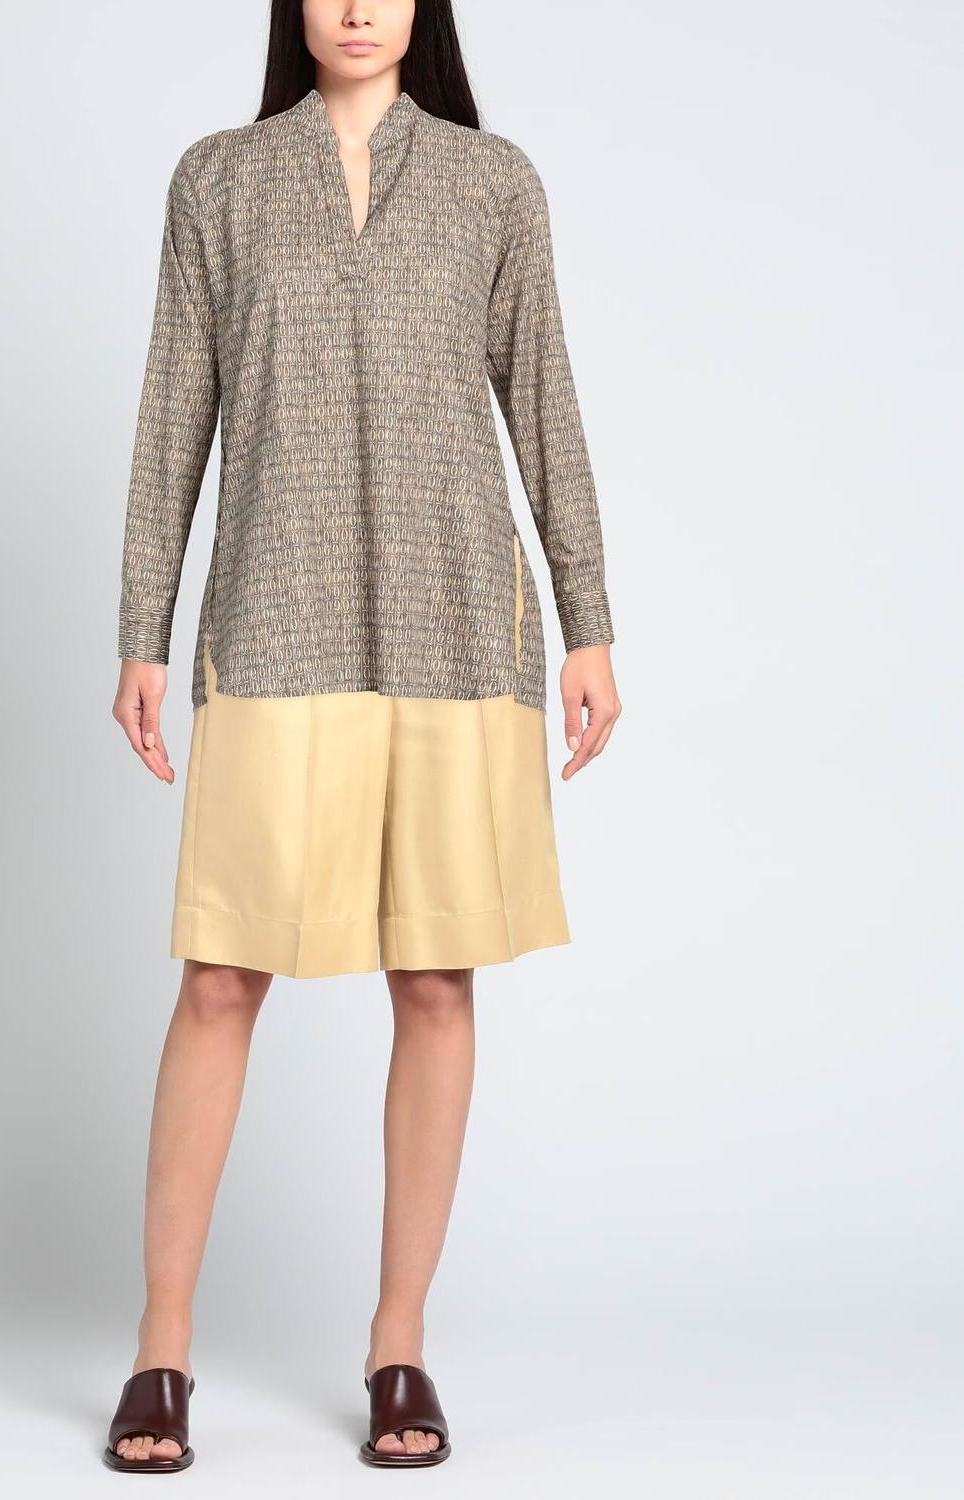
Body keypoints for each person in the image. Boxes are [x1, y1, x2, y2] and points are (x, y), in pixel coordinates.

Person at [105, 0, 622, 1474]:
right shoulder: (220, 178)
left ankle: (400, 1347)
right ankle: (160, 1354)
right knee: (222, 976)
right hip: (275, 622)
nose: (354, 5)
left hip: (455, 627)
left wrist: (587, 621)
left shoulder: (490, 181)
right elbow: (172, 414)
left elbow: (544, 401)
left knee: (437, 979)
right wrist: (143, 630)